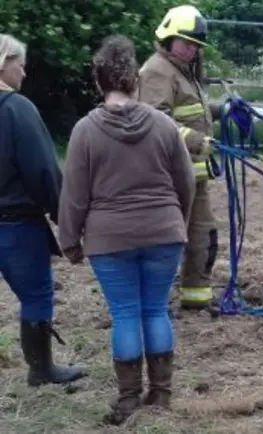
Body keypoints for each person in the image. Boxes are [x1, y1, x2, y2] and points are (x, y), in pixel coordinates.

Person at [57, 35, 195, 425]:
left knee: (126, 314)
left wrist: (69, 241)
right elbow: (185, 183)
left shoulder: (85, 130)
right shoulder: (164, 125)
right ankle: (162, 395)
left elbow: (73, 195)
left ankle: (129, 400)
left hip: (109, 238)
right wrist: (174, 223)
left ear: (99, 83)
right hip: (164, 232)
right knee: (155, 310)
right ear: (134, 80)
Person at [0, 33, 87, 387]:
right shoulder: (17, 110)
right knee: (36, 295)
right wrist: (63, 215)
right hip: (16, 226)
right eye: (20, 64)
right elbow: (42, 171)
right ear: (4, 63)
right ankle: (41, 369)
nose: (24, 72)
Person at [137, 4, 221, 311]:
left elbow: (189, 110)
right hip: (169, 177)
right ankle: (152, 305)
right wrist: (198, 141)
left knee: (203, 237)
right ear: (168, 38)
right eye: (187, 44)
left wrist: (222, 111)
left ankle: (195, 299)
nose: (192, 50)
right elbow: (157, 120)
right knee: (165, 241)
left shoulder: (184, 71)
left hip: (194, 176)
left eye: (196, 46)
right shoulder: (156, 71)